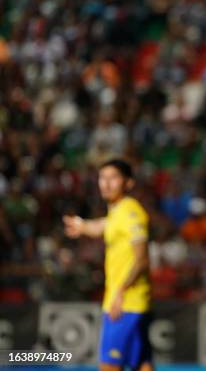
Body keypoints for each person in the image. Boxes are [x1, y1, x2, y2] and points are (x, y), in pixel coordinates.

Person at [63, 159, 153, 371]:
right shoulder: (117, 212)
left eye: (113, 178)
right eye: (102, 178)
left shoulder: (132, 213)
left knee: (109, 366)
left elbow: (142, 260)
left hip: (126, 303)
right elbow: (104, 225)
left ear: (128, 183)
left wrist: (120, 292)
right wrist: (83, 226)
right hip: (130, 302)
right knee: (143, 365)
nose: (106, 183)